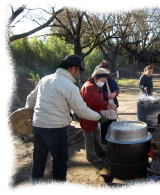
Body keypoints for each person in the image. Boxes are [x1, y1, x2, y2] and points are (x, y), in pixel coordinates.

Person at [25, 55, 107, 183]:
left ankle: (36, 184)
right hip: (56, 129)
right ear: (73, 69)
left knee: (39, 158)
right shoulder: (69, 86)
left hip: (38, 127)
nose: (78, 74)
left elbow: (30, 99)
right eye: (78, 71)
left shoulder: (45, 79)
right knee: (59, 161)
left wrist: (28, 114)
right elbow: (81, 110)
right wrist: (99, 117)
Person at [80, 68, 117, 163]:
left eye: (105, 81)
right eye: (103, 80)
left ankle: (100, 151)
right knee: (89, 137)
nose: (103, 82)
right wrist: (108, 105)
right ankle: (91, 157)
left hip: (93, 114)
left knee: (96, 134)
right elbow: (95, 102)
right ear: (96, 78)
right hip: (87, 115)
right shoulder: (89, 87)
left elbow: (98, 100)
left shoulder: (93, 85)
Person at [95, 60, 120, 144]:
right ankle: (104, 140)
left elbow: (117, 89)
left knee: (113, 123)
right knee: (104, 123)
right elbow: (98, 92)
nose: (107, 72)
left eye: (108, 70)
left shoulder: (110, 79)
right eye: (105, 70)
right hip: (104, 105)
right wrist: (106, 95)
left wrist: (114, 93)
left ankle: (114, 138)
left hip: (112, 104)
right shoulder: (97, 79)